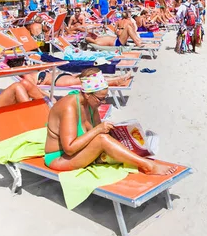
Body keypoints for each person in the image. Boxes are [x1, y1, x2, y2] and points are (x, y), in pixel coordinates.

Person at [43, 68, 177, 175]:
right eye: (100, 99)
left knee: (108, 138)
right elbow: (70, 148)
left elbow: (97, 133)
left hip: (80, 152)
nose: (103, 102)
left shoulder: (92, 104)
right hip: (59, 158)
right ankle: (148, 166)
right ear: (87, 94)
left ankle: (143, 159)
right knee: (102, 138)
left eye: (105, 98)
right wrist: (99, 129)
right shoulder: (69, 107)